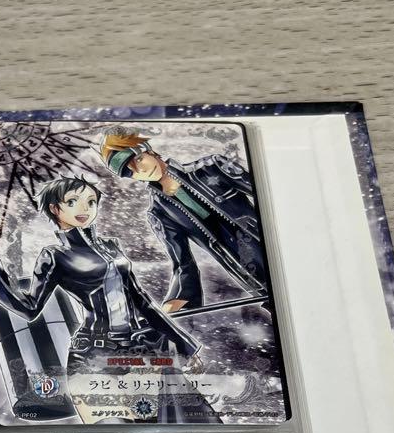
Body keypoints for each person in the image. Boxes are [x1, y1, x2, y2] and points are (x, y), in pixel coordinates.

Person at [0, 175, 214, 424]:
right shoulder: (55, 255)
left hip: (144, 348)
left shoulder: (112, 246)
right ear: (55, 209)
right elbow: (29, 308)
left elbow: (143, 301)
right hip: (95, 354)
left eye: (91, 202)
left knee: (175, 422)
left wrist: (185, 345)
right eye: (73, 202)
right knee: (115, 430)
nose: (85, 209)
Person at [98, 128, 267, 312]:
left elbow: (266, 193)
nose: (141, 170)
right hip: (248, 272)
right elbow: (182, 263)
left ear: (148, 150)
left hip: (270, 240)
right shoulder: (159, 213)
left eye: (138, 159)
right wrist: (176, 302)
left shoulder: (212, 167)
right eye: (131, 172)